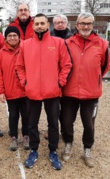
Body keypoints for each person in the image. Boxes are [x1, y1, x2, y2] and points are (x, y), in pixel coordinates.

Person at [15, 13, 72, 170]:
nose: (39, 26)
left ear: (48, 25)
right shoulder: (25, 44)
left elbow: (66, 65)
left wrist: (60, 82)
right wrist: (25, 82)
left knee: (53, 124)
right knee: (32, 124)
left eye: (42, 23)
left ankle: (53, 150)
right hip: (32, 92)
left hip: (52, 92)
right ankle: (34, 150)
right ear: (33, 26)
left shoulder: (58, 43)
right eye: (37, 23)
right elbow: (19, 67)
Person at [61, 12, 110, 168]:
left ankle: (87, 148)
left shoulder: (102, 44)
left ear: (93, 25)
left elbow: (104, 67)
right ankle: (68, 143)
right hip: (69, 92)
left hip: (91, 93)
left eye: (89, 23)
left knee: (89, 124)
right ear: (76, 25)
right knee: (67, 122)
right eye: (82, 23)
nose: (85, 26)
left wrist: (93, 79)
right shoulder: (67, 43)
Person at [0, 26, 29, 151]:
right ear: (6, 38)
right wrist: (0, 91)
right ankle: (13, 136)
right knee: (13, 115)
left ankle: (26, 135)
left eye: (15, 35)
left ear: (19, 37)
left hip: (25, 90)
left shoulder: (26, 48)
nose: (13, 38)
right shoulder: (1, 52)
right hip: (10, 90)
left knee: (26, 115)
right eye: (10, 36)